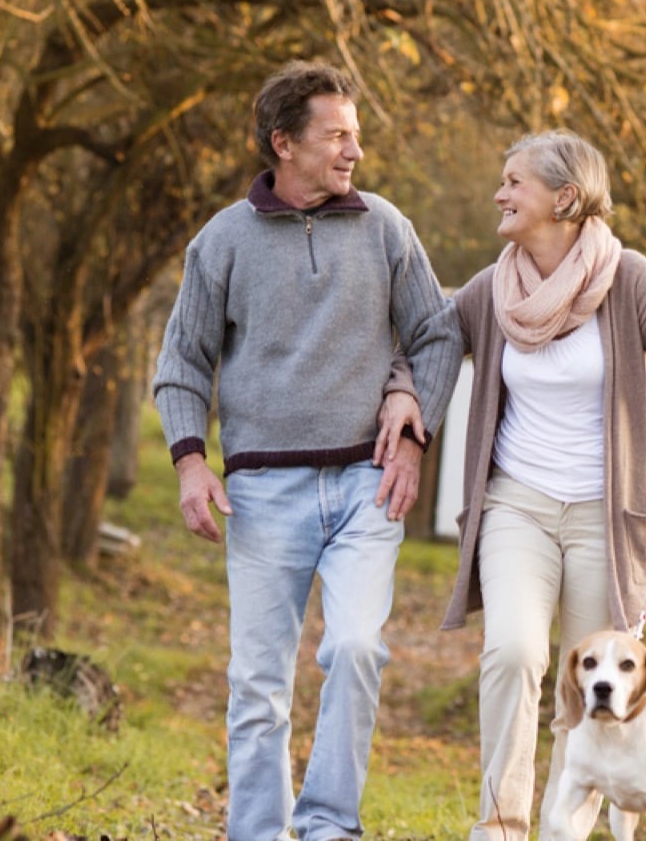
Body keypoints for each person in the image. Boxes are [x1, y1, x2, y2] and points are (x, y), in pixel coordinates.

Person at [383, 128, 646, 839]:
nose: (499, 193)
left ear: (564, 197)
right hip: (519, 502)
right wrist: (402, 395)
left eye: (515, 181)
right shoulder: (494, 288)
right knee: (512, 651)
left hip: (609, 514)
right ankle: (502, 826)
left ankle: (568, 825)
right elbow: (430, 340)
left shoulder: (630, 280)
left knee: (596, 685)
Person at [152, 60, 462, 841]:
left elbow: (437, 333)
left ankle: (329, 826)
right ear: (283, 143)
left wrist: (413, 421)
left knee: (357, 647)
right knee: (257, 683)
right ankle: (256, 832)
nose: (354, 150)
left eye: (356, 135)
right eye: (337, 136)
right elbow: (181, 361)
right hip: (263, 493)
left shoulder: (388, 227)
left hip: (366, 483)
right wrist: (191, 461)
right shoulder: (221, 241)